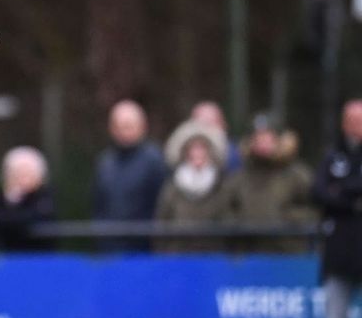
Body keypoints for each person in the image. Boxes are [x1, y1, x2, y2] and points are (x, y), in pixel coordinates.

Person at [312, 99, 362, 318]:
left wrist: (340, 193)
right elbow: (318, 193)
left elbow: (335, 193)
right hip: (339, 256)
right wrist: (351, 199)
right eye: (354, 119)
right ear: (344, 123)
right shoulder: (332, 157)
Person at [223, 112, 316, 252]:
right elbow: (224, 209)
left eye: (268, 137)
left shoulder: (297, 175)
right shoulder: (239, 177)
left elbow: (315, 209)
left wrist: (287, 217)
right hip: (249, 255)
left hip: (288, 254)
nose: (263, 143)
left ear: (280, 140)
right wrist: (242, 220)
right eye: (258, 138)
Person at [92, 99, 167, 250]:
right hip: (110, 249)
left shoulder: (155, 160)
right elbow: (98, 203)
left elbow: (162, 206)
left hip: (144, 250)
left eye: (128, 126)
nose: (123, 132)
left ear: (142, 126)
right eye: (118, 126)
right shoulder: (105, 161)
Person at [154, 119, 230, 252]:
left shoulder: (221, 186)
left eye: (202, 148)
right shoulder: (172, 188)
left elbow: (228, 222)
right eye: (193, 148)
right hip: (178, 257)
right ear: (185, 152)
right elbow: (162, 223)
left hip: (213, 258)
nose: (198, 153)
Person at [0, 145, 55, 250]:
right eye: (16, 174)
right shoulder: (0, 198)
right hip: (4, 261)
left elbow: (26, 219)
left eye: (27, 173)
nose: (22, 179)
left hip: (40, 259)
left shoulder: (44, 198)